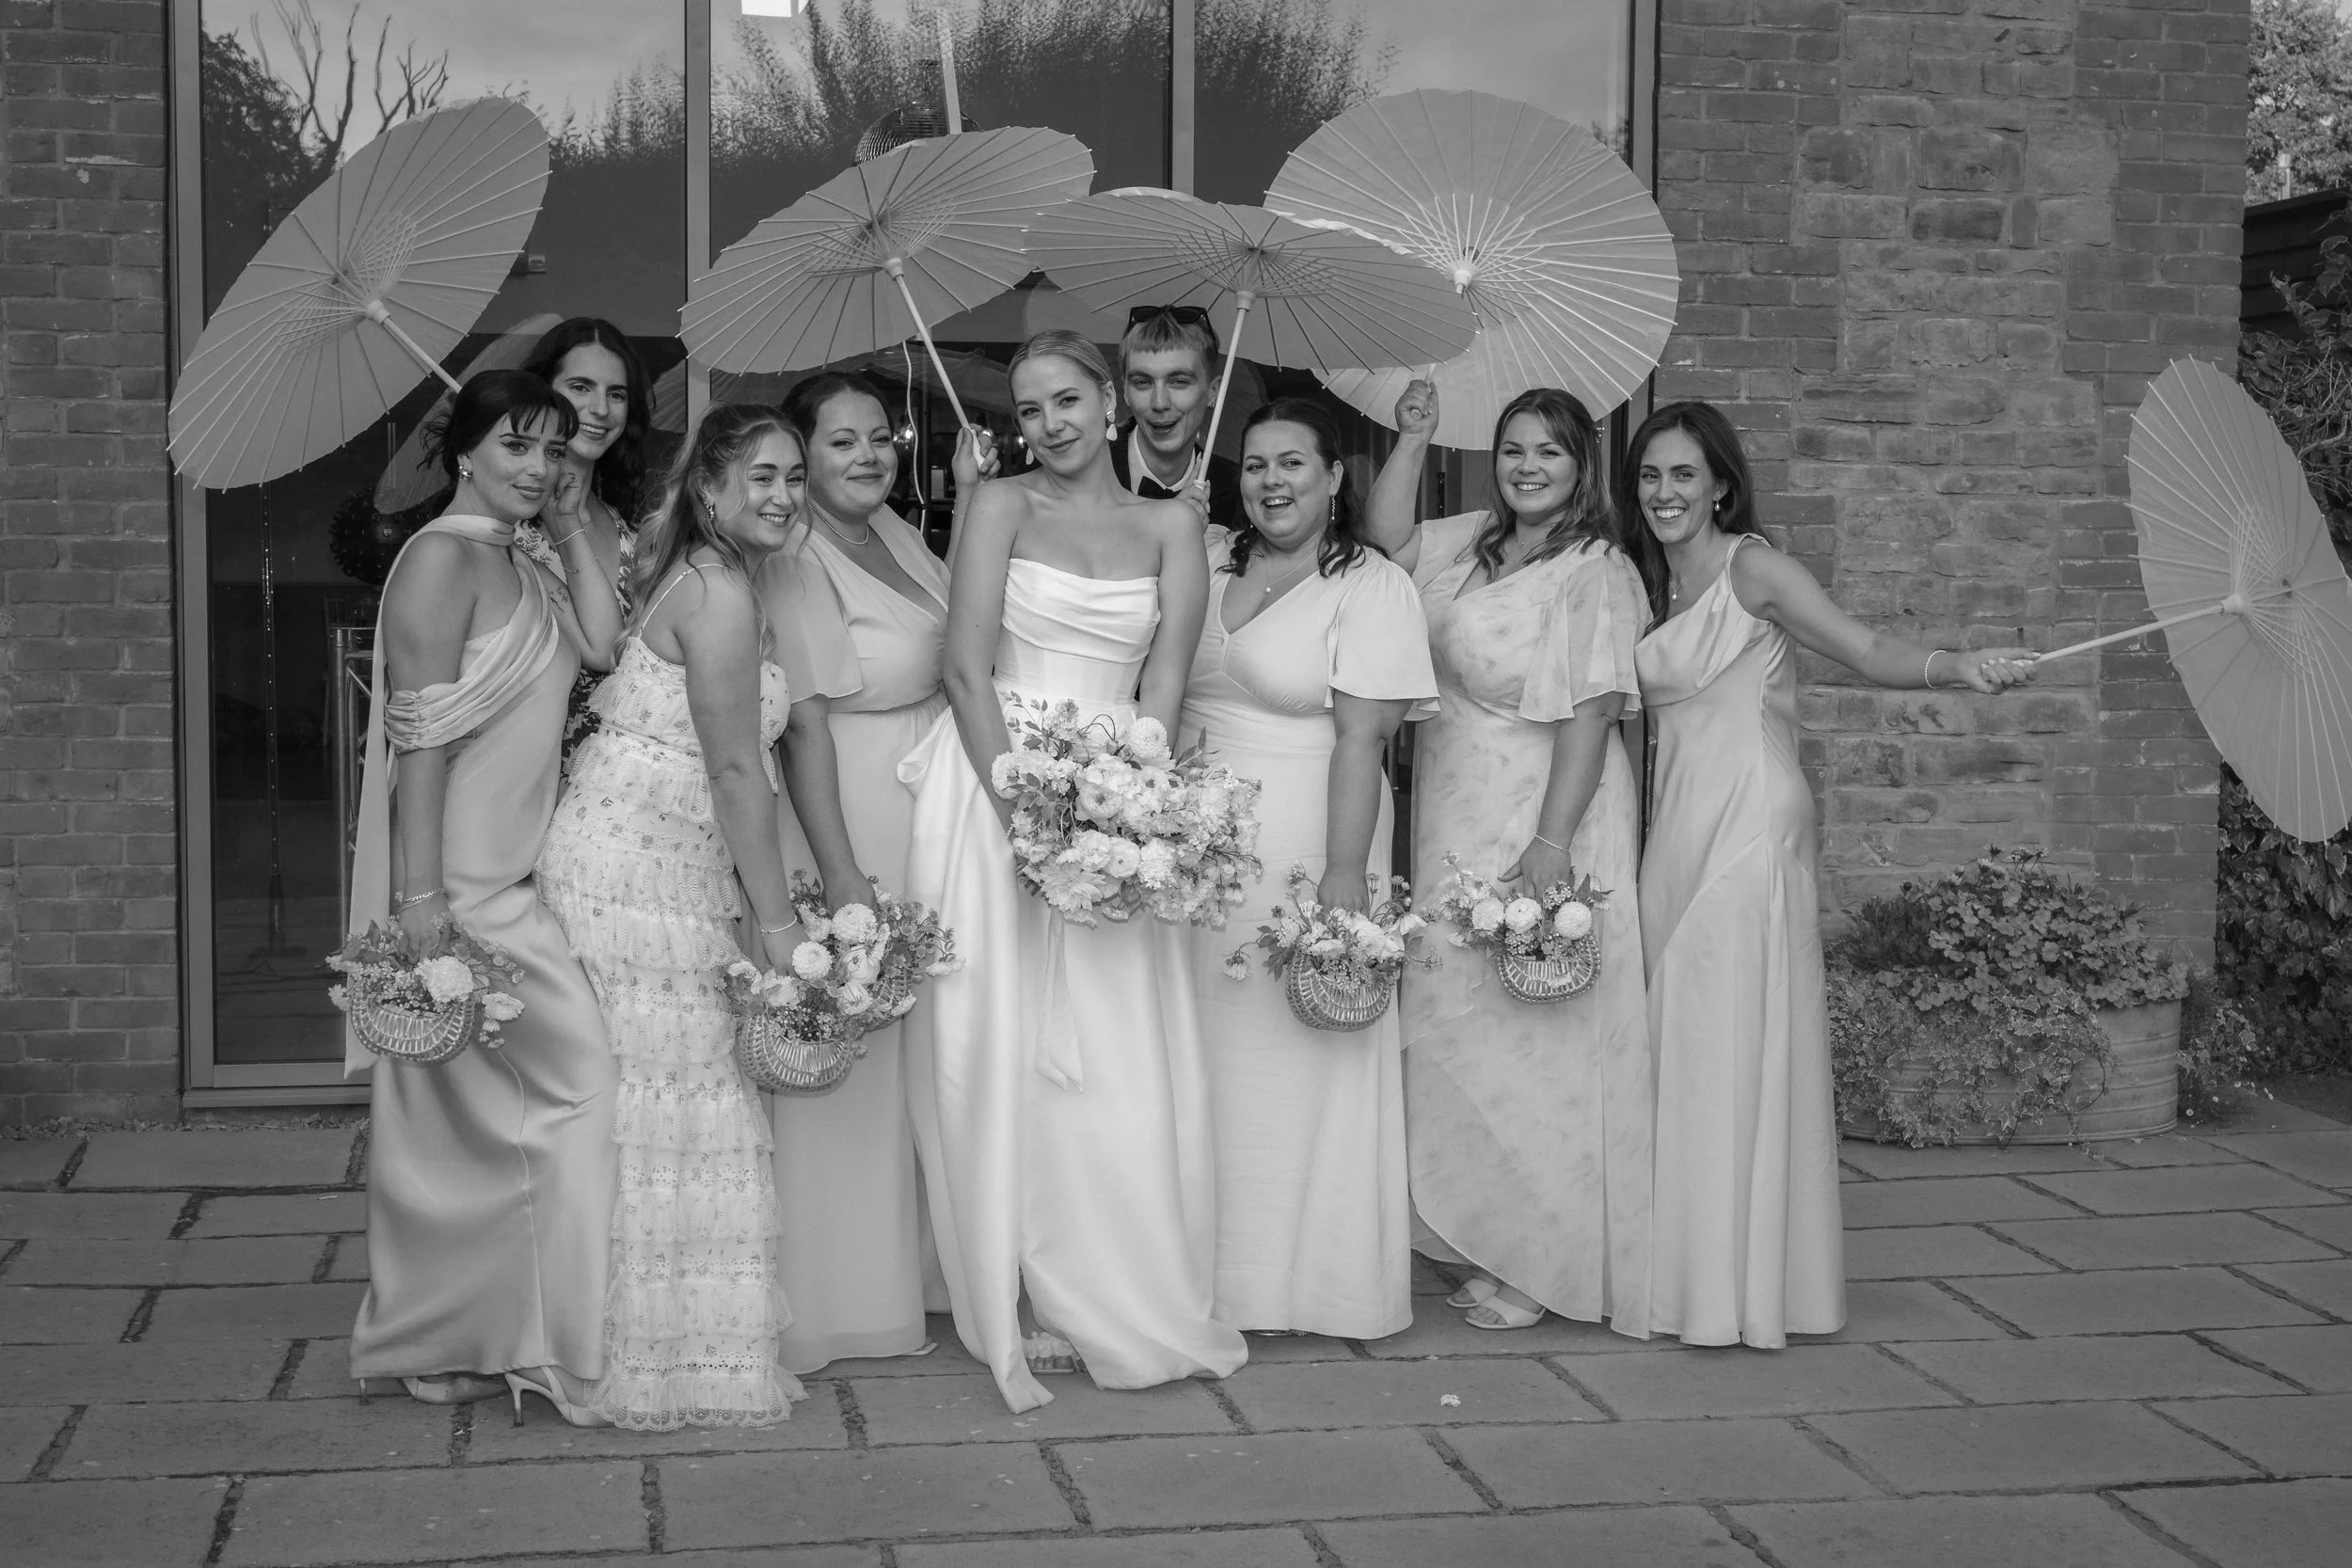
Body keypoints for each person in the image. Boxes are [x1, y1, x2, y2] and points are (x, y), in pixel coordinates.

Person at [1621, 401, 2034, 1348]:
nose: (1664, 492)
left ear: (1720, 486)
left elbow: (1865, 648)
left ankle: (1737, 1290)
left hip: (1750, 821)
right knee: (1683, 1043)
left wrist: (1958, 665)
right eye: (1649, 475)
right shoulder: (1649, 583)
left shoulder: (1753, 568)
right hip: (1675, 829)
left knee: (1731, 1038)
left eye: (1683, 474)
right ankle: (1688, 1275)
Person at [898, 328, 1246, 1413]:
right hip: (991, 780)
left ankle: (1104, 1271)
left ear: (1109, 402)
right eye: (1028, 408)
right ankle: (1004, 1272)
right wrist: (1023, 811)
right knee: (991, 1031)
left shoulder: (1173, 524)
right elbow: (962, 668)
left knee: (1108, 1037)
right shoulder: (999, 505)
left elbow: (1166, 680)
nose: (1047, 423)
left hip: (1115, 793)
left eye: (1065, 400)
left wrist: (1130, 806)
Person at [345, 370, 624, 1419]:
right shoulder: (437, 559)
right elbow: (417, 740)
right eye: (516, 445)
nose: (538, 466)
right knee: (571, 1086)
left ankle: (491, 1334)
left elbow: (603, 644)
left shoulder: (526, 555)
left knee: (487, 1122)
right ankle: (490, 1337)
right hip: (462, 885)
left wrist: (571, 523)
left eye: (553, 448)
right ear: (462, 451)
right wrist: (422, 900)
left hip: (516, 872)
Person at [536, 404, 814, 1427]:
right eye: (761, 476)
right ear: (708, 488)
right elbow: (738, 770)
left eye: (794, 476)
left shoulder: (712, 574)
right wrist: (779, 928)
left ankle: (636, 1346)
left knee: (666, 1101)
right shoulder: (720, 592)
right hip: (632, 878)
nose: (784, 494)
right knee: (670, 1099)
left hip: (663, 863)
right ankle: (638, 1359)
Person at [1364, 381, 1653, 1336]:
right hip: (1454, 811)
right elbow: (1385, 541)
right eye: (1514, 449)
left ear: (1582, 465)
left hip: (1544, 808)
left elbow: (1593, 712)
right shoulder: (1469, 542)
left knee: (1540, 1035)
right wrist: (1411, 438)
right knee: (1468, 1031)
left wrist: (1551, 843)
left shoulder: (1595, 568)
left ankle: (1545, 1257)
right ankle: (1487, 1235)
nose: (1528, 467)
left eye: (1549, 452)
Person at [1180, 397, 1436, 1339]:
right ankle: (1205, 1277)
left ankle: (1312, 1282)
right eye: (1255, 464)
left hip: (1309, 831)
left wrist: (1343, 872)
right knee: (1205, 1053)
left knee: (1305, 1047)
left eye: (1293, 462)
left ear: (1334, 477)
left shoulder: (1371, 583)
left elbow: (1365, 737)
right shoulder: (1208, 560)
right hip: (1196, 849)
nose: (1271, 480)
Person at [755, 372, 994, 1374]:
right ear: (800, 456)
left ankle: (929, 1265)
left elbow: (956, 634)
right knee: (849, 1039)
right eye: (841, 440)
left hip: (924, 804)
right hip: (844, 807)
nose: (868, 455)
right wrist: (841, 873)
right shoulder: (794, 556)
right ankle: (843, 1294)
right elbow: (802, 724)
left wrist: (970, 498)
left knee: (920, 1046)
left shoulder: (894, 530)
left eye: (879, 437)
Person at [517, 319, 657, 754]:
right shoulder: (508, 529)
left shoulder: (632, 527)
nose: (600, 409)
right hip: (533, 768)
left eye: (617, 394)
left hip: (626, 775)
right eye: (580, 387)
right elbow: (604, 653)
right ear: (542, 391)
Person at [1110, 305, 1243, 531]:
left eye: (1179, 382)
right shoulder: (1086, 471)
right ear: (1125, 392)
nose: (1159, 403)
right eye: (1142, 383)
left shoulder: (1236, 488)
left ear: (1213, 392)